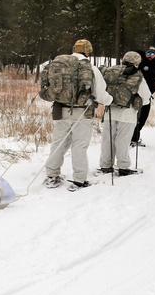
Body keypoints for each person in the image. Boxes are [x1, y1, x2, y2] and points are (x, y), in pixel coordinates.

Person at [42, 39, 113, 190]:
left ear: (74, 49)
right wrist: (109, 100)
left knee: (58, 143)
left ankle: (52, 175)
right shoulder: (90, 68)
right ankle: (79, 180)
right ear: (88, 52)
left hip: (60, 110)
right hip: (82, 112)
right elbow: (100, 94)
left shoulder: (60, 64)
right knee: (79, 146)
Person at [99, 51, 152, 175]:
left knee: (108, 139)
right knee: (122, 140)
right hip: (128, 113)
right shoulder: (137, 75)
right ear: (136, 63)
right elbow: (146, 96)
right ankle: (123, 167)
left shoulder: (110, 71)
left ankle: (106, 165)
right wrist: (139, 104)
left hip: (109, 111)